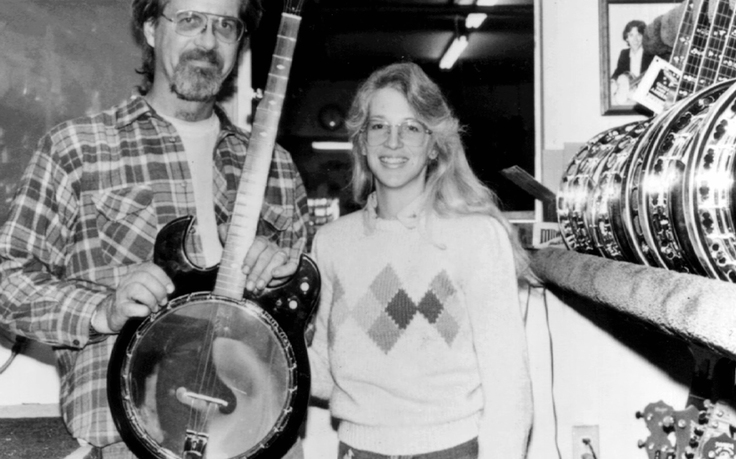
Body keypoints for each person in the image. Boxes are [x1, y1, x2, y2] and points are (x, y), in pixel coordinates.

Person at [0, 0, 309, 457]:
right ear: (150, 29)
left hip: (259, 439)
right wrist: (103, 309)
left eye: (225, 26)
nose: (207, 41)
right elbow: (7, 278)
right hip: (130, 437)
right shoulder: (78, 148)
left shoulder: (277, 168)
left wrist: (282, 287)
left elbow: (306, 326)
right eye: (189, 20)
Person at [308, 62, 534, 459]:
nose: (393, 142)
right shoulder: (331, 243)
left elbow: (509, 387)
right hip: (356, 452)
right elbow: (325, 374)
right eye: (379, 126)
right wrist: (256, 337)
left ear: (434, 145)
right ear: (361, 141)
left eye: (411, 128)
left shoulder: (475, 237)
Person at [610, 20, 655, 104]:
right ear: (626, 38)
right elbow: (618, 72)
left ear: (644, 37)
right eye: (631, 35)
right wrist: (613, 81)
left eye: (639, 35)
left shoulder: (650, 54)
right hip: (628, 95)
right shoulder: (624, 54)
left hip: (645, 96)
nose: (635, 39)